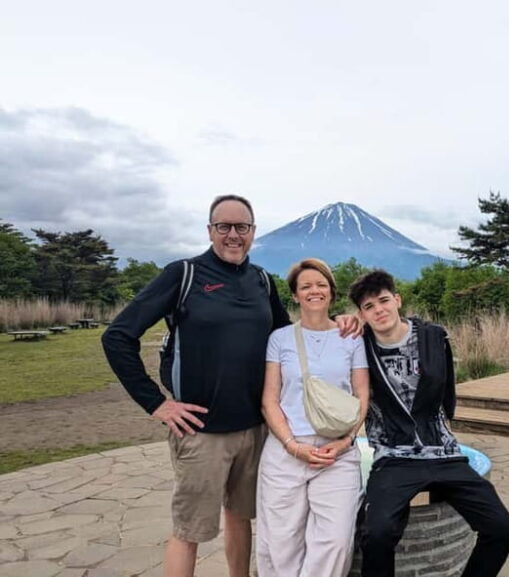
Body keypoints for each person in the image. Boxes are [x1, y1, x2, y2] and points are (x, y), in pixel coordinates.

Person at [101, 195, 357, 577]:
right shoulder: (183, 275)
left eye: (242, 227)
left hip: (256, 429)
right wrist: (157, 403)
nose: (233, 235)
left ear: (253, 232)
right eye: (224, 226)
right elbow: (117, 337)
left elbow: (288, 336)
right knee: (189, 530)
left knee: (241, 519)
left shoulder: (260, 281)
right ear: (210, 231)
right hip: (201, 430)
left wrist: (340, 322)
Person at [349, 270, 509, 577]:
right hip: (394, 457)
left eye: (384, 301)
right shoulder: (359, 348)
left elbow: (448, 390)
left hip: (444, 454)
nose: (379, 310)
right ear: (361, 314)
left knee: (502, 529)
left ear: (397, 300)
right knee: (377, 534)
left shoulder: (433, 337)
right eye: (369, 306)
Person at [257, 258, 369, 577]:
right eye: (305, 286)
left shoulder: (352, 336)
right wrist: (293, 446)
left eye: (321, 285)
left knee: (335, 541)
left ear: (332, 293)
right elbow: (270, 399)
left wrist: (346, 441)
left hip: (337, 451)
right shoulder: (280, 339)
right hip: (286, 449)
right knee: (280, 542)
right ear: (294, 295)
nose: (314, 291)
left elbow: (362, 395)